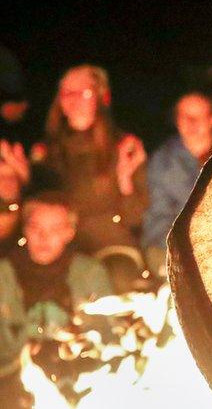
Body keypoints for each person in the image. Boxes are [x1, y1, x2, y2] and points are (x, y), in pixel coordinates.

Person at [28, 65, 148, 291]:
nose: (75, 100)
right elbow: (36, 209)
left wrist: (124, 179)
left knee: (114, 281)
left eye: (84, 93)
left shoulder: (123, 147)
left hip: (112, 247)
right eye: (67, 93)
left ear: (102, 97)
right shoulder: (45, 153)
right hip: (61, 247)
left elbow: (135, 219)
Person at [0, 191, 113, 398]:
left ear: (69, 233)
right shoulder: (3, 276)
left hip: (82, 380)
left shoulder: (90, 273)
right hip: (12, 384)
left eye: (55, 229)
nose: (44, 237)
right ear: (25, 230)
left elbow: (107, 335)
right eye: (36, 228)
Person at [142, 92, 212, 276]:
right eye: (185, 116)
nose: (191, 122)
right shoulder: (162, 161)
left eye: (198, 116)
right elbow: (159, 215)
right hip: (177, 246)